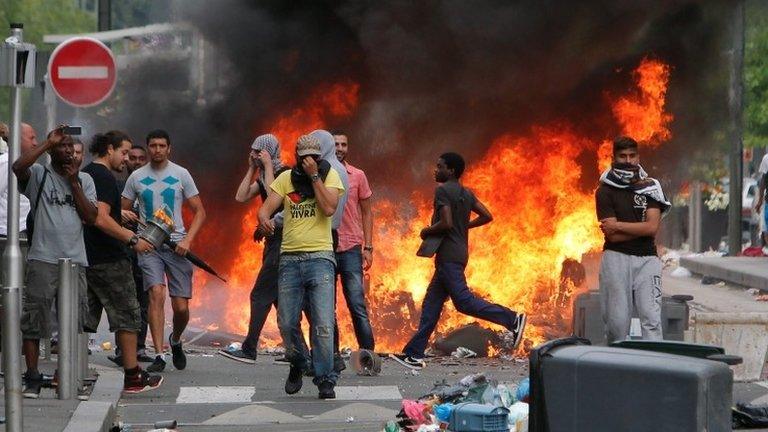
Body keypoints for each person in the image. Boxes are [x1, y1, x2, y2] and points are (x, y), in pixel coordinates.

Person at [390, 152, 526, 370]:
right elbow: (486, 215)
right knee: (431, 305)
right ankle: (413, 353)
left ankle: (512, 319)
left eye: (439, 166)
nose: (436, 170)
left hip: (449, 256)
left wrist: (426, 230)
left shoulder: (442, 190)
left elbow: (445, 222)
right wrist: (464, 227)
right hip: (457, 253)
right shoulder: (466, 193)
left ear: (451, 170)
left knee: (464, 302)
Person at [12, 126, 98, 398]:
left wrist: (74, 183)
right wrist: (47, 142)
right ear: (52, 150)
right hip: (43, 257)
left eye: (71, 147)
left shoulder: (85, 180)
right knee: (34, 320)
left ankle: (66, 375)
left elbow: (91, 217)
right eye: (62, 145)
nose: (67, 150)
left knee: (73, 321)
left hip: (75, 260)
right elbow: (18, 167)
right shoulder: (40, 174)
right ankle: (34, 376)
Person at [258, 134, 345, 399]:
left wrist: (314, 176)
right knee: (286, 322)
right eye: (303, 157)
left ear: (319, 158)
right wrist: (264, 220)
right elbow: (266, 208)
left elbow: (329, 208)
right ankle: (298, 360)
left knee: (322, 322)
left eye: (314, 157)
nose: (308, 161)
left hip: (321, 258)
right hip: (290, 259)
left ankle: (325, 379)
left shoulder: (329, 176)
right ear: (296, 156)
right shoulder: (286, 179)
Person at [82, 131, 162, 393]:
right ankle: (133, 376)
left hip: (88, 256)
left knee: (83, 319)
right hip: (109, 258)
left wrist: (120, 212)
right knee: (128, 317)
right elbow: (100, 218)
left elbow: (94, 211)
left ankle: (69, 372)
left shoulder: (87, 172)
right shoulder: (104, 176)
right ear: (109, 149)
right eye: (124, 153)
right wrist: (131, 239)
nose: (127, 159)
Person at [122, 129, 206, 373]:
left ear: (169, 148)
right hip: (149, 246)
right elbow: (121, 209)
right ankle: (159, 354)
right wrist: (129, 223)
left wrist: (188, 240)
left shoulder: (181, 174)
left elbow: (200, 211)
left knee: (181, 308)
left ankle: (176, 340)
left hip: (178, 245)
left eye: (161, 146)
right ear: (147, 148)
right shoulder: (136, 177)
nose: (157, 150)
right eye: (153, 145)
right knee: (156, 294)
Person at [219, 134, 289, 363]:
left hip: (283, 243)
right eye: (253, 151)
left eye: (259, 151)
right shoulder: (261, 176)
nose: (255, 155)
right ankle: (297, 350)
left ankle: (250, 348)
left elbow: (273, 198)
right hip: (272, 243)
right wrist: (251, 169)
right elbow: (240, 197)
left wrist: (268, 165)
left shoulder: (285, 173)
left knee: (259, 295)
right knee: (278, 299)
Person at [595, 136, 670, 344]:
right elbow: (612, 236)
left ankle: (655, 368)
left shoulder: (651, 187)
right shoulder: (604, 191)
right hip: (616, 258)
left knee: (652, 319)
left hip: (647, 259)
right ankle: (617, 369)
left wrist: (618, 225)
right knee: (617, 324)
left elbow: (652, 227)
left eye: (632, 155)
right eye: (623, 156)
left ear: (638, 156)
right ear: (614, 157)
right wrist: (639, 228)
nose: (628, 161)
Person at [110, 143, 153, 366]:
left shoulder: (150, 187)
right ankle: (122, 350)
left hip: (145, 251)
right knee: (124, 303)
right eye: (132, 158)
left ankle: (140, 347)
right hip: (122, 252)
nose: (135, 161)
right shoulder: (116, 186)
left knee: (143, 302)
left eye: (140, 158)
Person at [331, 130, 375, 350]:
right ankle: (332, 356)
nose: (340, 148)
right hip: (325, 248)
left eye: (343, 144)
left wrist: (368, 246)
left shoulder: (357, 175)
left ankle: (368, 355)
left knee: (357, 305)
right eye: (336, 144)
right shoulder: (319, 175)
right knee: (327, 308)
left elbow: (367, 212)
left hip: (350, 248)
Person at [0, 123, 36, 237]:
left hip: (23, 230)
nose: (35, 143)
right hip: (8, 233)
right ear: (17, 138)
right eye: (31, 138)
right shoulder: (7, 162)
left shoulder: (26, 163)